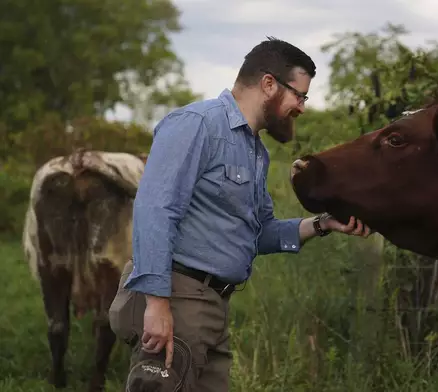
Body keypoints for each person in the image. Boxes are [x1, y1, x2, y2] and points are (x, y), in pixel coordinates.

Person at [108, 36, 372, 392]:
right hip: (178, 298)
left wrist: (323, 224)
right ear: (268, 84)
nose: (302, 107)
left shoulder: (254, 151)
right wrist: (156, 303)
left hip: (214, 308)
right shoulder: (198, 124)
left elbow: (259, 233)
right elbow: (155, 209)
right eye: (300, 95)